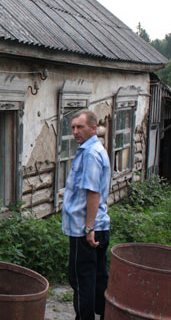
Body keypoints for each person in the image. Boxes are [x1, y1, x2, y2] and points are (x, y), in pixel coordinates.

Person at [61, 109, 111, 320]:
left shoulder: (90, 154)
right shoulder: (93, 149)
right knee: (98, 277)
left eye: (80, 127)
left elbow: (93, 193)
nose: (75, 132)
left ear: (93, 127)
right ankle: (105, 314)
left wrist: (89, 228)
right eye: (72, 128)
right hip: (98, 226)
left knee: (82, 280)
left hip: (85, 229)